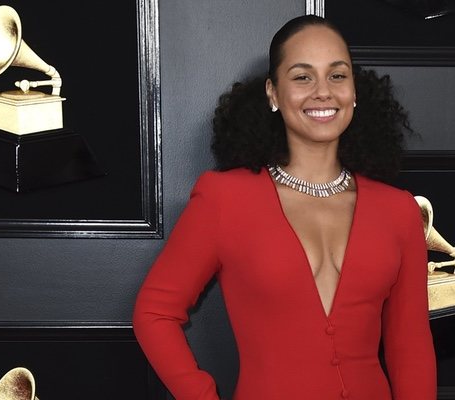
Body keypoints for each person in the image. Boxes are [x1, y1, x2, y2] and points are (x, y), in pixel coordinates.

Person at [132, 14, 437, 400]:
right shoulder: (225, 199)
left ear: (355, 92)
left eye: (338, 75)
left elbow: (410, 347)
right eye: (302, 76)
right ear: (273, 93)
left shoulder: (399, 210)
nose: (323, 91)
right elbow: (154, 312)